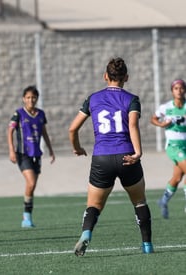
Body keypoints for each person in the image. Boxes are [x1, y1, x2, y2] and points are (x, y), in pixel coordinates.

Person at [68, 57, 153, 256]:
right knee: (139, 201)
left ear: (105, 76)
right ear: (127, 78)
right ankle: (147, 245)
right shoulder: (132, 99)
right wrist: (138, 153)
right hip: (126, 156)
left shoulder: (93, 98)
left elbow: (72, 129)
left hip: (102, 159)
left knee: (94, 205)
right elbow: (132, 125)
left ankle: (87, 232)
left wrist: (78, 148)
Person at [7, 85, 55, 228]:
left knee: (32, 187)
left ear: (37, 98)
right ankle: (26, 217)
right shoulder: (18, 114)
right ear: (23, 99)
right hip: (23, 154)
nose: (31, 100)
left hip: (37, 155)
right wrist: (11, 150)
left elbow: (44, 133)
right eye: (28, 97)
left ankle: (28, 217)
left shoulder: (40, 114)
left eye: (33, 97)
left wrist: (51, 150)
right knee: (31, 183)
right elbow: (10, 131)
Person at [151, 79, 186, 219]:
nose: (179, 90)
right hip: (173, 146)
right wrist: (161, 124)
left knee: (177, 178)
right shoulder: (166, 107)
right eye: (176, 88)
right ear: (172, 91)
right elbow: (153, 118)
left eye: (181, 88)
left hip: (185, 145)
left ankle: (163, 201)